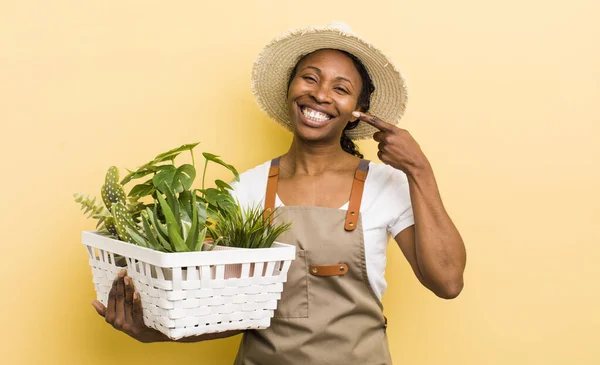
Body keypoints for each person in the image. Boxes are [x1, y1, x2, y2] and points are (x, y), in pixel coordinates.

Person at [91, 22, 467, 364]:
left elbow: (447, 282)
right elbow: (229, 313)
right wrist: (156, 332)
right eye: (310, 78)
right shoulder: (245, 190)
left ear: (358, 111)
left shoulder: (385, 184)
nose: (320, 95)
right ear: (291, 88)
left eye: (341, 89)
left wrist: (419, 170)